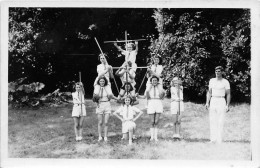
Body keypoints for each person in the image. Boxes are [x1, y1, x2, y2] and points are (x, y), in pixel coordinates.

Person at [205, 66, 231, 144]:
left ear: (222, 72)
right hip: (213, 100)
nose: (217, 73)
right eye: (216, 71)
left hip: (221, 100)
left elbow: (228, 94)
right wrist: (207, 102)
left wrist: (227, 105)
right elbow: (209, 92)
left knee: (220, 120)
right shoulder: (211, 81)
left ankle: (219, 140)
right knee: (213, 120)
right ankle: (213, 139)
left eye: (219, 71)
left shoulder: (225, 82)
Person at [137, 75, 165, 142]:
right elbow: (144, 97)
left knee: (156, 121)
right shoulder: (148, 88)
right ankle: (152, 137)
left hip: (158, 102)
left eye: (156, 80)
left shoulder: (160, 88)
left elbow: (162, 97)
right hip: (151, 103)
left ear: (157, 81)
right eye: (153, 80)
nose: (154, 82)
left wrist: (161, 90)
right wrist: (137, 95)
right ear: (151, 82)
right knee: (152, 121)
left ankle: (156, 137)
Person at [93, 76, 118, 142]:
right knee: (100, 122)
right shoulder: (97, 87)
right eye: (101, 81)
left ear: (105, 82)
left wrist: (117, 99)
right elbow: (94, 98)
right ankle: (100, 136)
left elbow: (111, 95)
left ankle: (106, 136)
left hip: (107, 104)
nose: (102, 82)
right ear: (99, 81)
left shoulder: (108, 87)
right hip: (100, 104)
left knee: (106, 122)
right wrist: (96, 101)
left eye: (103, 81)